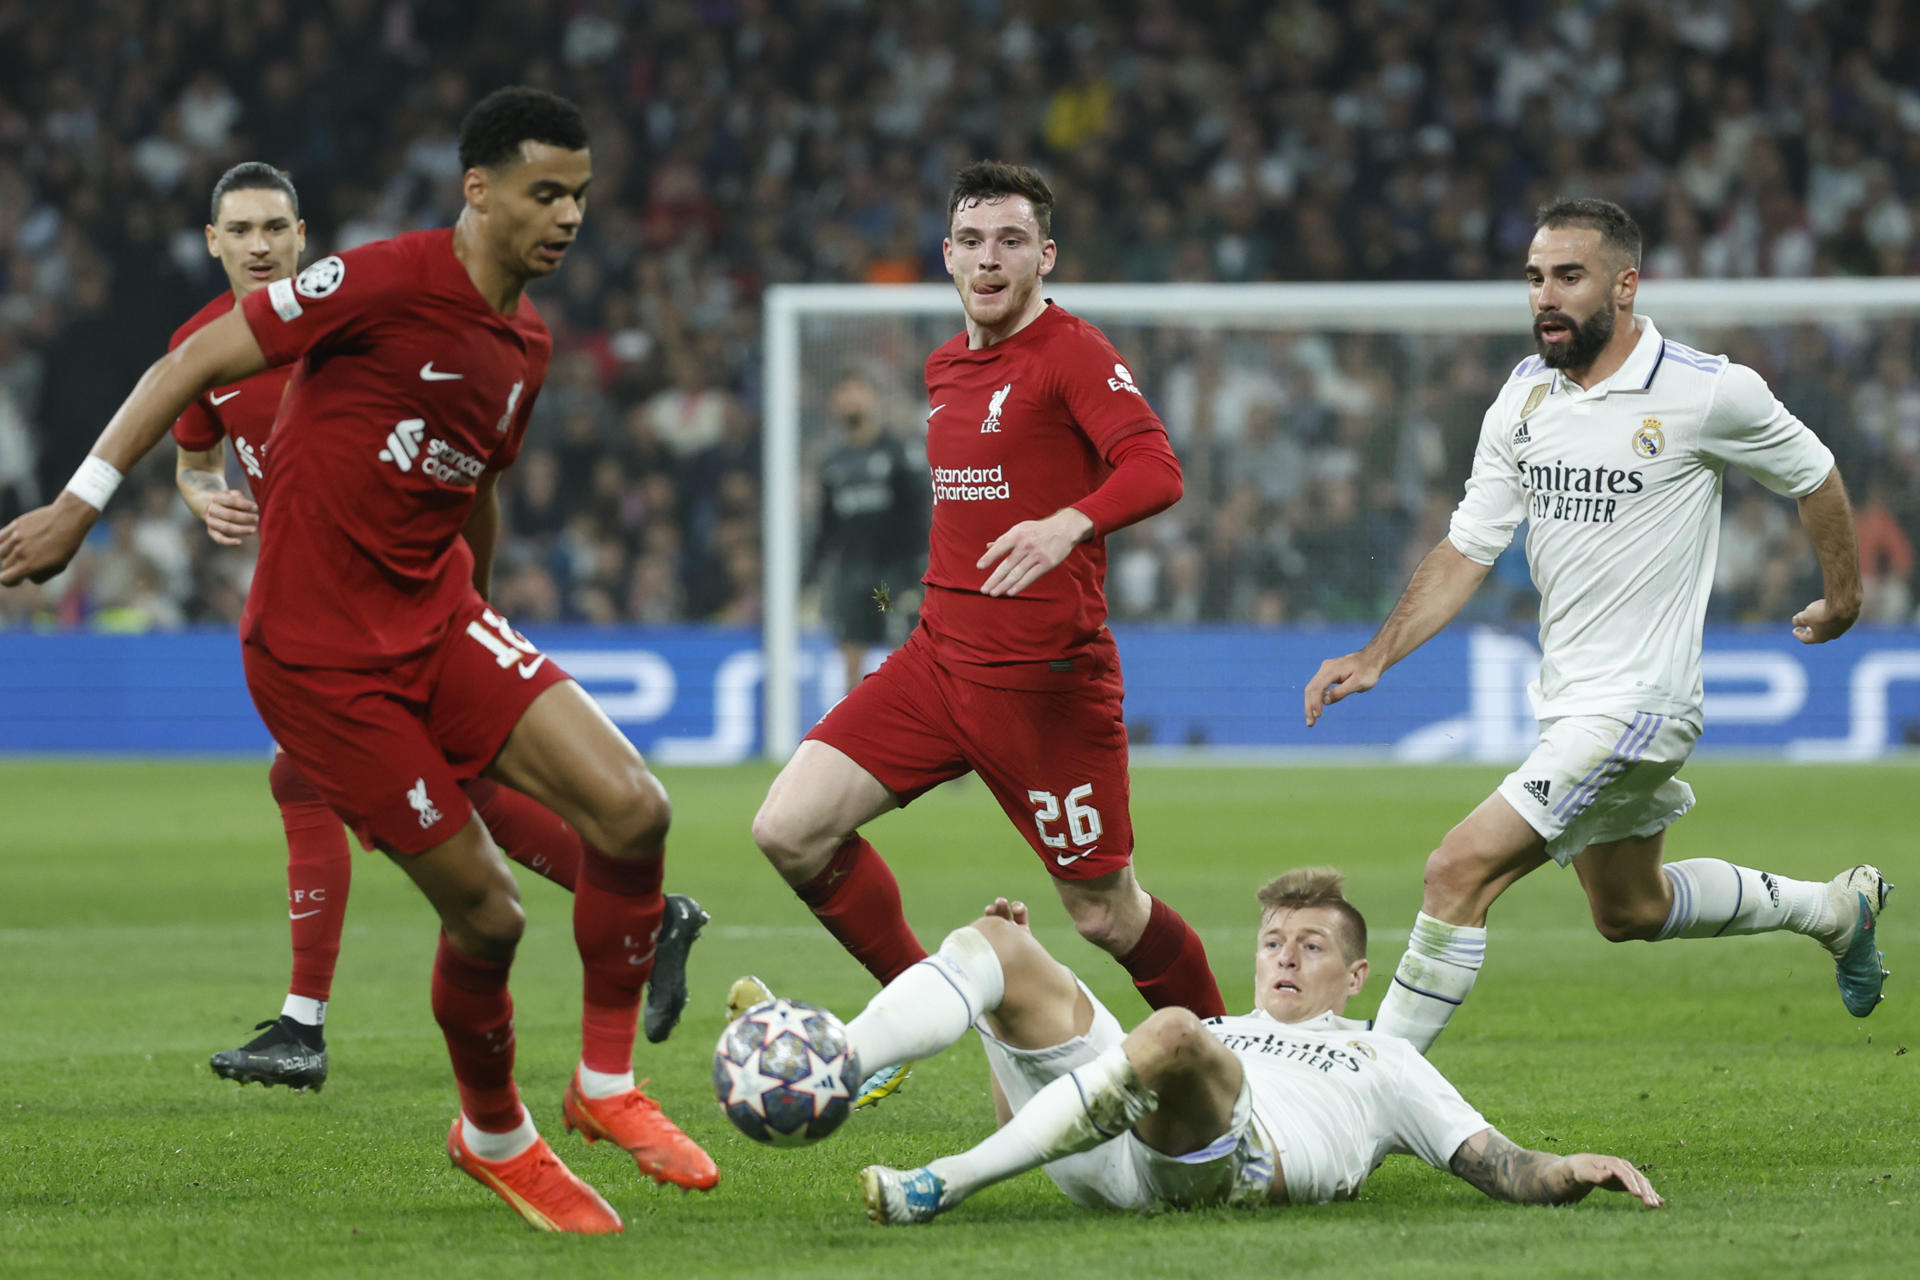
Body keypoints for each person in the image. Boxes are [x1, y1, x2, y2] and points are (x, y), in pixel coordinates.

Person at [1, 88, 712, 1234]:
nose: (569, 215)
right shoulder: (377, 280)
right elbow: (188, 363)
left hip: (435, 614)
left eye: (580, 194)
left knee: (634, 809)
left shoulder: (526, 343)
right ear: (478, 191)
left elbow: (473, 483)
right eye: (545, 193)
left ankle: (605, 1086)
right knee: (489, 915)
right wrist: (80, 508)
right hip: (319, 653)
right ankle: (493, 1135)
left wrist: (480, 610)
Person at [1303, 198, 1890, 1055]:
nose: (1546, 295)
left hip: (1642, 704)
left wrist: (1844, 597)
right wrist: (1376, 655)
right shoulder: (1523, 397)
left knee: (1456, 871)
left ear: (1624, 284)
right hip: (1569, 701)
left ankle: (1370, 1092)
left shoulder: (1705, 388)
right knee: (1629, 911)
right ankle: (1835, 909)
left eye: (1568, 277)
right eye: (1535, 277)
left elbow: (1815, 473)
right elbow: (1470, 545)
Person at [170, 161, 705, 1095]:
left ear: (305, 237)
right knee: (413, 786)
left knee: (319, 778)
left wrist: (470, 608)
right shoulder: (206, 349)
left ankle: (308, 1027)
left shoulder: (351, 319)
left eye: (276, 228)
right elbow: (194, 456)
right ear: (213, 242)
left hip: (407, 612)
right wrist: (202, 495)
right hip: (321, 617)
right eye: (241, 229)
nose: (260, 245)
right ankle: (650, 918)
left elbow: (473, 475)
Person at [752, 163, 1227, 1102]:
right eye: (972, 240)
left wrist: (1071, 522)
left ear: (1045, 256)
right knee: (789, 830)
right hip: (937, 665)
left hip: (1047, 688)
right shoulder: (942, 368)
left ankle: (1230, 1067)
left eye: (1012, 240)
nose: (990, 258)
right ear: (947, 256)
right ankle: (908, 1007)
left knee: (1103, 913)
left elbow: (1157, 468)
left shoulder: (1073, 354)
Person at [808, 869, 1662, 1223]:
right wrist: (1007, 1031)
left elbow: (1493, 1161)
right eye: (1272, 942)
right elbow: (1035, 1112)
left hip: (1224, 1163)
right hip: (1110, 1149)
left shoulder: (1384, 1060)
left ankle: (939, 1185)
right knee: (997, 944)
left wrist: (1567, 1170)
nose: (1285, 956)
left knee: (1172, 1032)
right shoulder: (1223, 1035)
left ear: (1356, 975)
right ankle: (831, 1062)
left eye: (1311, 945)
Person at [809, 372, 928, 694]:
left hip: (891, 576)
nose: (849, 400)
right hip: (851, 574)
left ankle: (910, 721)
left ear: (873, 398)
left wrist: (919, 568)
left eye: (856, 391)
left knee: (900, 642)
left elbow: (921, 514)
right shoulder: (833, 461)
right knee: (850, 648)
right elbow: (826, 525)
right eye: (842, 393)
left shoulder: (897, 452)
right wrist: (811, 576)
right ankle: (850, 731)